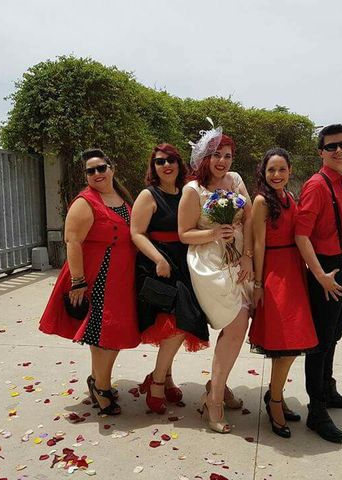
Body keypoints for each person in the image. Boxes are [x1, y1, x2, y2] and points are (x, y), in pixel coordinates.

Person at [39, 148, 140, 416]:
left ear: (112, 168)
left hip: (122, 279)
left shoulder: (121, 197)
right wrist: (78, 281)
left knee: (115, 332)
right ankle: (102, 387)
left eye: (101, 168)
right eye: (90, 170)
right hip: (98, 277)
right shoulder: (85, 202)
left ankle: (97, 381)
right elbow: (72, 241)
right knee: (103, 333)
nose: (97, 173)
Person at [178, 122, 254, 434]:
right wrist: (213, 232)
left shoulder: (235, 181)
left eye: (228, 155)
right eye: (216, 155)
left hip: (238, 259)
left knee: (238, 325)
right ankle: (215, 399)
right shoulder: (193, 190)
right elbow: (183, 234)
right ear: (204, 158)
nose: (222, 161)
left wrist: (248, 254)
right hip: (207, 263)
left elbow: (249, 217)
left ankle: (216, 384)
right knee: (236, 323)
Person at [131, 144, 210, 414]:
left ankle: (164, 378)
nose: (166, 165)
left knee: (176, 326)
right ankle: (157, 382)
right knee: (174, 325)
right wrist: (159, 259)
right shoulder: (148, 195)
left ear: (179, 163)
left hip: (184, 264)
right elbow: (137, 233)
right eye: (160, 161)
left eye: (171, 160)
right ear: (153, 167)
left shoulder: (187, 191)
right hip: (158, 266)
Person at [295, 124, 342, 443]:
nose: (339, 151)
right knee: (320, 343)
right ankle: (316, 411)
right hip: (328, 269)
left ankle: (328, 389)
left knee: (334, 336)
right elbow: (301, 234)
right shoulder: (316, 185)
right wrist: (319, 274)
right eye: (331, 147)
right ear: (321, 152)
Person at [249, 147, 319, 438]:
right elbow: (258, 245)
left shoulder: (291, 198)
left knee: (293, 343)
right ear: (264, 174)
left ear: (290, 170)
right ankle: (275, 400)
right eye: (271, 170)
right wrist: (257, 283)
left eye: (281, 169)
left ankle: (274, 395)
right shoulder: (262, 201)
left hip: (294, 271)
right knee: (283, 343)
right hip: (275, 274)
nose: (276, 175)